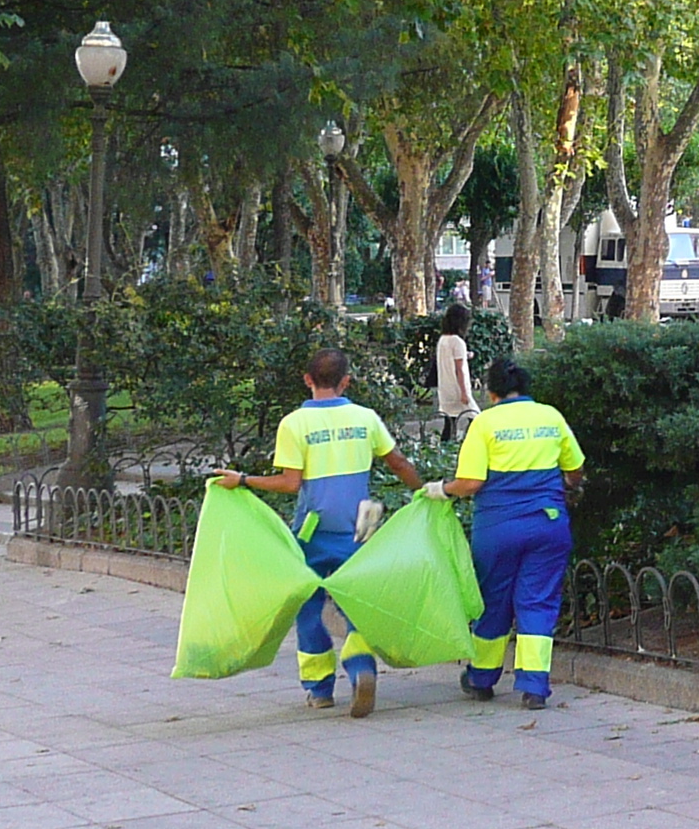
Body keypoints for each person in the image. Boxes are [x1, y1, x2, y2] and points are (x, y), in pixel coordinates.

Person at [212, 348, 421, 716]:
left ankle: (320, 689)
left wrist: (243, 479)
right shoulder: (365, 418)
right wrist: (425, 493)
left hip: (311, 533)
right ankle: (361, 670)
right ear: (346, 381)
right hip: (357, 530)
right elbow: (398, 462)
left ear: (307, 380)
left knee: (308, 610)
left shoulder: (294, 424)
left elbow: (291, 483)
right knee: (356, 603)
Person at [441, 357, 583, 710]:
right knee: (538, 602)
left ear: (491, 392)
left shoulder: (486, 423)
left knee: (493, 601)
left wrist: (442, 490)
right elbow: (575, 468)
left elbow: (471, 483)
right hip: (548, 525)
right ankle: (534, 686)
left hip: (498, 528)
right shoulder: (550, 416)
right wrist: (572, 488)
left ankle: (481, 678)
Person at [433, 303, 476, 443]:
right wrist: (464, 392)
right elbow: (460, 369)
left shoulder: (443, 340)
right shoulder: (458, 342)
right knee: (474, 417)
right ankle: (469, 443)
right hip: (458, 388)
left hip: (445, 387)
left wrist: (465, 355)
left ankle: (445, 447)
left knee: (449, 421)